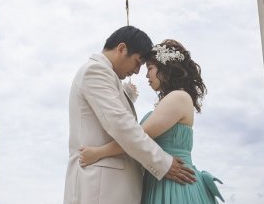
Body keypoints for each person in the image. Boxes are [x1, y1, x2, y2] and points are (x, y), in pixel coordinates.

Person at [78, 39, 224, 203]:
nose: (146, 75)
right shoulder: (173, 99)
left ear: (166, 68)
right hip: (162, 179)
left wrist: (98, 153)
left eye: (150, 68)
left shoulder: (178, 97)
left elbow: (137, 137)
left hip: (174, 185)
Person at [64, 27, 196, 204]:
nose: (136, 71)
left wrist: (127, 95)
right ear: (121, 49)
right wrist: (163, 162)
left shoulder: (106, 76)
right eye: (137, 62)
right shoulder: (95, 71)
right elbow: (122, 125)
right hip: (101, 187)